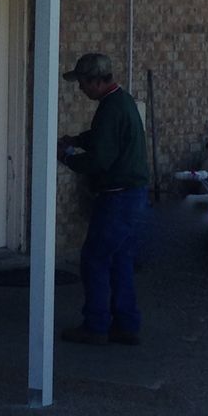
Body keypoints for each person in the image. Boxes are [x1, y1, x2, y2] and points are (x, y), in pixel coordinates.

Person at [56, 52, 148, 347]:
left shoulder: (110, 109)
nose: (80, 88)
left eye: (82, 82)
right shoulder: (122, 101)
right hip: (134, 196)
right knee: (120, 260)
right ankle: (126, 325)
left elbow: (99, 160)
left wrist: (67, 157)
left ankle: (95, 326)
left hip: (117, 198)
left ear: (96, 81)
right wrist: (77, 140)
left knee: (94, 259)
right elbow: (104, 137)